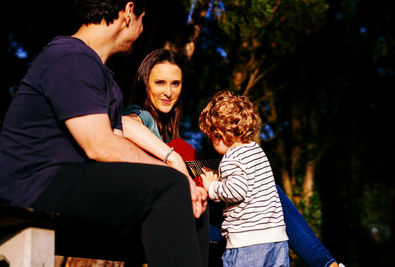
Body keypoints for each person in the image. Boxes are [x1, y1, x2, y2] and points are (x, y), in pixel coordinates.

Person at [0, 1, 208, 266]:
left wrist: (183, 179)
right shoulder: (70, 56)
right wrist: (172, 170)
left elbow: (117, 138)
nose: (142, 29)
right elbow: (99, 145)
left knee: (194, 202)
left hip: (69, 180)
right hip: (36, 185)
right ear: (128, 12)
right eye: (142, 20)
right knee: (172, 186)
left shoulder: (101, 75)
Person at [121, 48, 342, 267]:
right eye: (160, 82)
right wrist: (173, 159)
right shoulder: (143, 115)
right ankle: (324, 263)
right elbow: (123, 124)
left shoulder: (169, 130)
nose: (168, 92)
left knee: (262, 188)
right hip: (169, 219)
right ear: (145, 84)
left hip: (196, 211)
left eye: (175, 83)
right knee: (265, 191)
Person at [197, 90, 289, 267]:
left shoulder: (231, 158)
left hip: (247, 243)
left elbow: (236, 191)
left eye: (211, 138)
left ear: (220, 135)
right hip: (276, 239)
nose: (211, 142)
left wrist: (212, 186)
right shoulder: (256, 151)